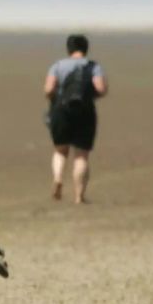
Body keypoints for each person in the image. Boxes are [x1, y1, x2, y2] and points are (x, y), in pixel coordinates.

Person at [44, 34, 108, 204]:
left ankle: (58, 178)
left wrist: (57, 97)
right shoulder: (94, 66)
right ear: (86, 48)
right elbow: (101, 89)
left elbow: (48, 89)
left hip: (61, 110)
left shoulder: (58, 66)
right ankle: (79, 196)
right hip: (85, 111)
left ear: (69, 48)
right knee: (81, 155)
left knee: (60, 150)